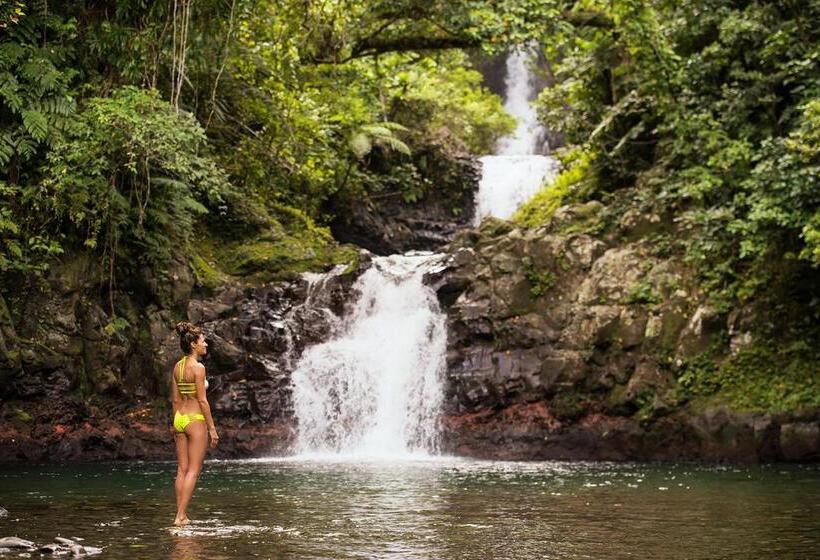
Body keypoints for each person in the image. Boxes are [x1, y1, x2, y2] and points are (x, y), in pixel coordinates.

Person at [170, 321, 219, 526]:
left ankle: (180, 514)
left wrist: (175, 423)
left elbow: (175, 399)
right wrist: (212, 428)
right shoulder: (198, 368)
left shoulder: (178, 366)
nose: (205, 344)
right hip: (195, 419)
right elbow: (202, 401)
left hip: (180, 419)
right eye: (202, 341)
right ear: (193, 344)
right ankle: (180, 516)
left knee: (182, 469)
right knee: (193, 470)